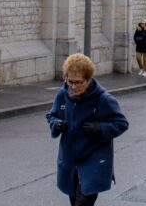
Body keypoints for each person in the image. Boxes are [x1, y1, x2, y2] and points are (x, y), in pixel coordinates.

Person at [46, 53, 129, 206]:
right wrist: (56, 124)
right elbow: (51, 116)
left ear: (89, 79)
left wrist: (100, 128)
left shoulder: (103, 99)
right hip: (70, 160)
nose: (73, 87)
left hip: (94, 160)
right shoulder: (62, 95)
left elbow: (121, 123)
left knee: (83, 202)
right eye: (70, 81)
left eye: (79, 82)